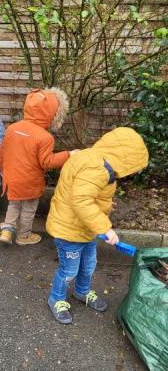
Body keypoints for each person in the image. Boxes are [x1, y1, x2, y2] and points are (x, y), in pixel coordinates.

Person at [46, 127, 149, 324]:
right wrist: (105, 228)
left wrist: (106, 205)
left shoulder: (99, 162)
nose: (130, 174)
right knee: (69, 271)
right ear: (125, 158)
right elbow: (82, 200)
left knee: (88, 266)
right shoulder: (97, 168)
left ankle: (82, 292)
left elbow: (88, 193)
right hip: (69, 231)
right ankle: (56, 299)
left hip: (85, 230)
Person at [0, 87, 74, 245]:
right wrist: (68, 155)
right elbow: (47, 162)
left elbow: (2, 152)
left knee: (14, 203)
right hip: (30, 181)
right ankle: (23, 236)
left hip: (11, 177)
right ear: (53, 114)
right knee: (28, 208)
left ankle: (7, 230)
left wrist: (2, 170)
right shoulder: (45, 137)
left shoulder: (12, 128)